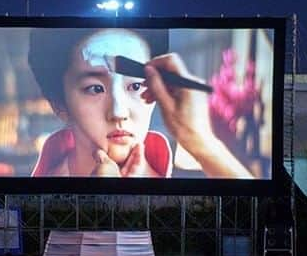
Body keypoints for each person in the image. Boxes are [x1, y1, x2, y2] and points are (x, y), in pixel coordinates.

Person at [27, 27, 253, 179]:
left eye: (135, 86)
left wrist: (200, 140)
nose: (119, 112)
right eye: (95, 88)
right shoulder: (36, 198)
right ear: (60, 105)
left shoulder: (197, 183)